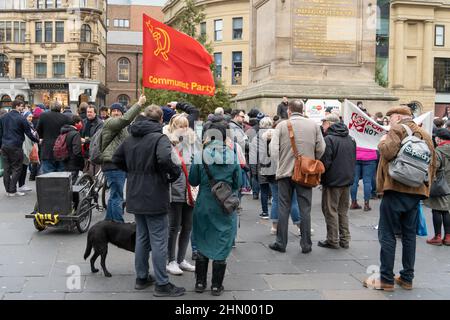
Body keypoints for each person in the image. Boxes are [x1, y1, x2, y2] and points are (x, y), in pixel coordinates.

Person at [112, 104, 185, 297]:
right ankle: (162, 283)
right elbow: (164, 159)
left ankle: (142, 277)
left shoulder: (130, 138)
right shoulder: (159, 138)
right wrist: (173, 173)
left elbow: (116, 158)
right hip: (154, 194)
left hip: (135, 192)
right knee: (159, 240)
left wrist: (132, 171)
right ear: (161, 120)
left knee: (143, 237)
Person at [364, 106, 436, 291]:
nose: (389, 123)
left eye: (390, 119)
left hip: (395, 189)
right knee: (409, 235)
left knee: (387, 234)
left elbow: (387, 153)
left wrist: (381, 142)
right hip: (416, 191)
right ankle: (407, 277)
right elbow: (433, 165)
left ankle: (386, 279)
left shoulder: (397, 130)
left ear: (397, 117)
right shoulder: (425, 134)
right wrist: (424, 188)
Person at [189, 120, 242, 296]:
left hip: (204, 203)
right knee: (223, 240)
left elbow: (193, 180)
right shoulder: (232, 155)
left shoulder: (200, 154)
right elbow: (238, 183)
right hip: (223, 204)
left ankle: (199, 283)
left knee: (202, 238)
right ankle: (216, 286)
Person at [269, 100, 325, 253]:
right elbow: (321, 148)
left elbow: (273, 150)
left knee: (283, 207)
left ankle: (281, 243)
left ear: (289, 111)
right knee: (305, 209)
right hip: (306, 173)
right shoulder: (313, 125)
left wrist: (280, 164)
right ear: (303, 109)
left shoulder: (281, 125)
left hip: (285, 173)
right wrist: (311, 161)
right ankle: (306, 244)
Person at [101, 95, 146, 223]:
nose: (116, 113)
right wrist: (139, 104)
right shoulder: (110, 123)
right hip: (113, 165)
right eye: (113, 111)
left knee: (114, 195)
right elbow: (125, 120)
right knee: (117, 196)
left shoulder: (122, 128)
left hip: (118, 166)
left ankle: (109, 222)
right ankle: (118, 223)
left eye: (118, 111)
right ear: (110, 113)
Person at [163, 114, 197, 275]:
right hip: (174, 190)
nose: (183, 129)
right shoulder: (166, 142)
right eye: (179, 125)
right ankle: (171, 260)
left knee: (188, 226)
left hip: (190, 189)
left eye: (185, 125)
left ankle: (181, 258)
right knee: (173, 227)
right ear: (173, 126)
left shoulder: (191, 142)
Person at [319, 114, 356, 249]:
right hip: (347, 179)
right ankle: (345, 239)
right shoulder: (350, 138)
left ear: (329, 123)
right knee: (342, 211)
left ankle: (332, 239)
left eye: (324, 123)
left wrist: (320, 177)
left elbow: (325, 162)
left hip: (333, 180)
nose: (322, 126)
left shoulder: (329, 139)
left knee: (331, 210)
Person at [259, 118, 301, 234]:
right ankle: (299, 226)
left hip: (271, 173)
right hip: (284, 171)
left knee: (276, 200)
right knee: (293, 200)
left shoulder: (264, 139)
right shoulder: (282, 139)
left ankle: (274, 226)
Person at [0, 100, 39, 196]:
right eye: (22, 106)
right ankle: (12, 190)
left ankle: (8, 190)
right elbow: (28, 133)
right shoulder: (21, 118)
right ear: (17, 106)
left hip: (5, 146)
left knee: (7, 169)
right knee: (17, 168)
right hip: (16, 146)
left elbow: (0, 133)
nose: (22, 108)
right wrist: (38, 140)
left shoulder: (3, 117)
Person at [424, 128, 450, 246]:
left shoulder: (438, 151)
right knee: (446, 210)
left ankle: (437, 236)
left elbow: (435, 167)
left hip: (440, 185)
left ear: (439, 138)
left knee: (437, 209)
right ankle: (448, 237)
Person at [36, 101, 71, 174]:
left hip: (47, 150)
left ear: (51, 107)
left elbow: (38, 131)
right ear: (60, 108)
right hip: (62, 149)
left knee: (48, 176)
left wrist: (42, 137)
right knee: (61, 176)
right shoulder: (65, 118)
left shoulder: (43, 116)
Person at [17, 112, 37, 192]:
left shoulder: (30, 124)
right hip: (24, 146)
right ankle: (21, 185)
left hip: (28, 147)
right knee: (23, 166)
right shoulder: (25, 125)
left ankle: (22, 184)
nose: (30, 118)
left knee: (25, 165)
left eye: (31, 117)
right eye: (29, 117)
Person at [60, 115, 84, 182]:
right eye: (80, 122)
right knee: (72, 184)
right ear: (76, 123)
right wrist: (81, 163)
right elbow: (77, 151)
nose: (81, 124)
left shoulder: (64, 131)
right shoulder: (75, 134)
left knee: (67, 183)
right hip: (73, 163)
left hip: (65, 161)